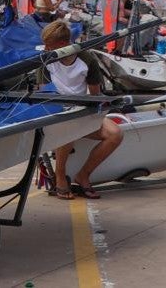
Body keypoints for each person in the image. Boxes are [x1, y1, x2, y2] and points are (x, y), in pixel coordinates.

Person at [43, 20, 122, 200]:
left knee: (115, 134)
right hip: (56, 111)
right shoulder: (45, 58)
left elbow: (94, 96)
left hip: (81, 111)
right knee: (69, 127)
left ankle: (83, 174)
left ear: (63, 44)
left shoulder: (87, 60)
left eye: (50, 45)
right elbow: (43, 91)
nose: (46, 48)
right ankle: (60, 176)